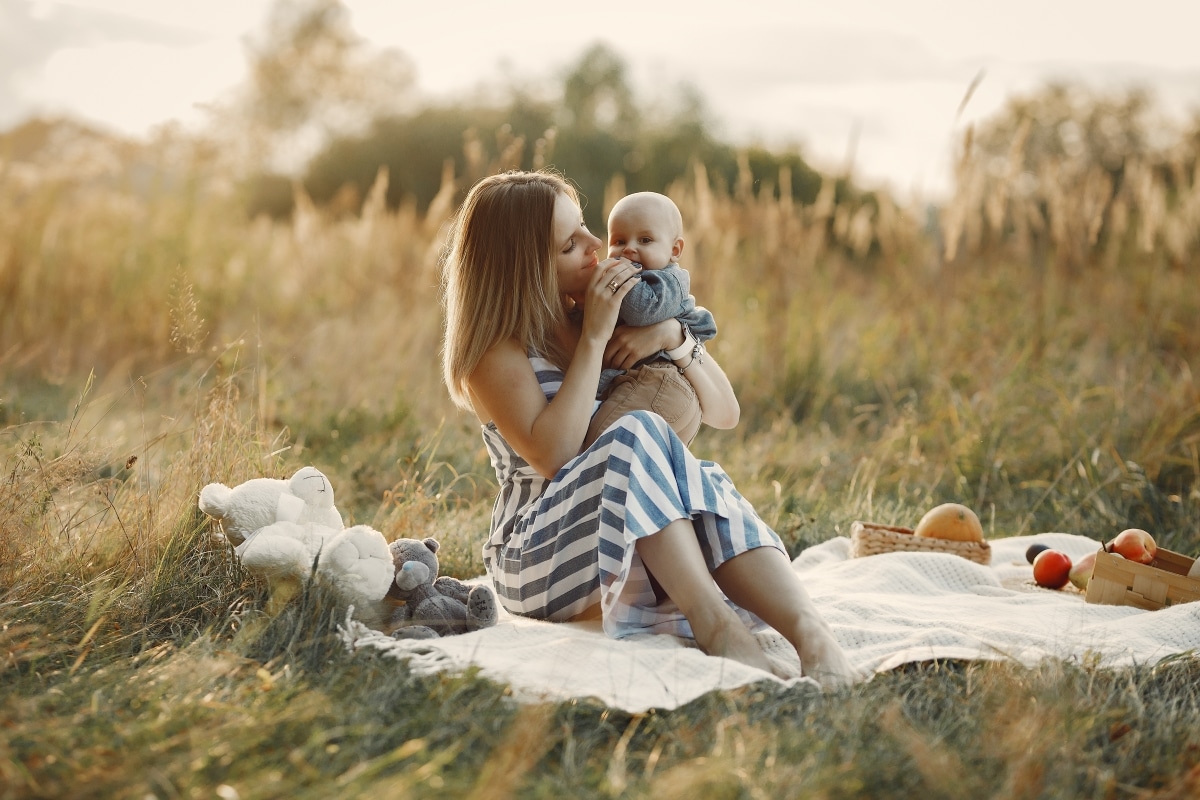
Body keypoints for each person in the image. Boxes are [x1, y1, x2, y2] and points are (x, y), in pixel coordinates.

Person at [440, 170, 859, 688]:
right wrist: (593, 340)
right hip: (540, 552)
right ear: (525, 270)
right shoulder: (496, 352)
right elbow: (556, 457)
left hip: (642, 525)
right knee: (639, 432)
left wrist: (674, 334)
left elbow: (724, 413)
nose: (598, 247)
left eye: (588, 228)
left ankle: (810, 632)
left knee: (698, 473)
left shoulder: (623, 314)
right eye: (572, 244)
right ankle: (718, 627)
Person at [583, 191, 714, 449]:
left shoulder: (669, 280)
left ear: (674, 250)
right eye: (619, 240)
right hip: (652, 389)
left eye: (645, 239)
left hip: (657, 384)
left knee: (593, 452)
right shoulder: (642, 276)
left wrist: (614, 278)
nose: (629, 248)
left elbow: (641, 311)